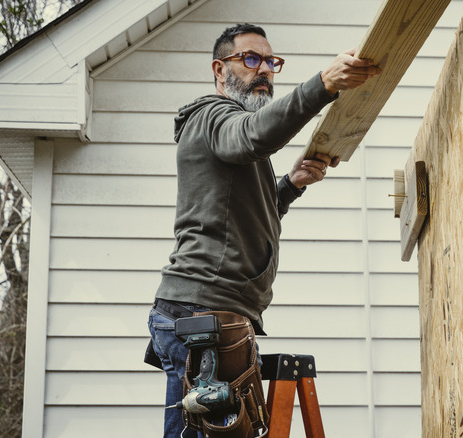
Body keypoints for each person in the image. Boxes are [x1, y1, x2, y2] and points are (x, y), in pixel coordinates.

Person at [145, 23, 381, 437]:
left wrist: (290, 185)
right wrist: (323, 85)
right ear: (219, 70)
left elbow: (252, 213)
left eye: (271, 62)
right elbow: (253, 136)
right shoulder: (212, 116)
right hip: (201, 313)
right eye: (250, 59)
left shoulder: (234, 135)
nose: (265, 70)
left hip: (212, 312)